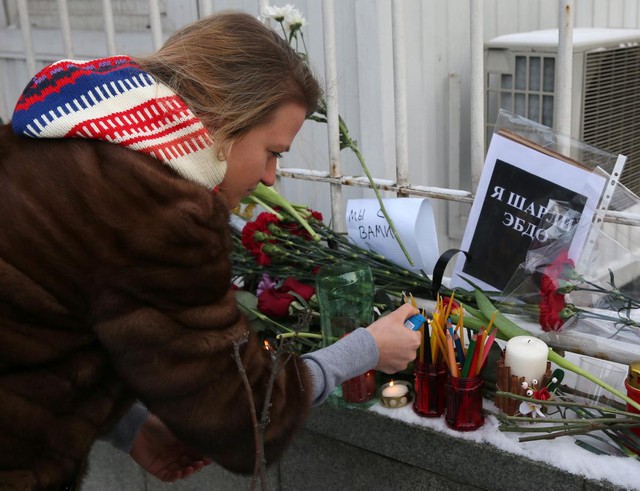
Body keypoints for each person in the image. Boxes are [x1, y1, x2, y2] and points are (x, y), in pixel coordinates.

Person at [0, 10, 421, 490]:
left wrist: (128, 427)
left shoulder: (67, 144)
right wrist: (366, 348)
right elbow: (250, 419)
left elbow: (42, 335)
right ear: (226, 120)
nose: (269, 177)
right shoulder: (156, 209)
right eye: (273, 151)